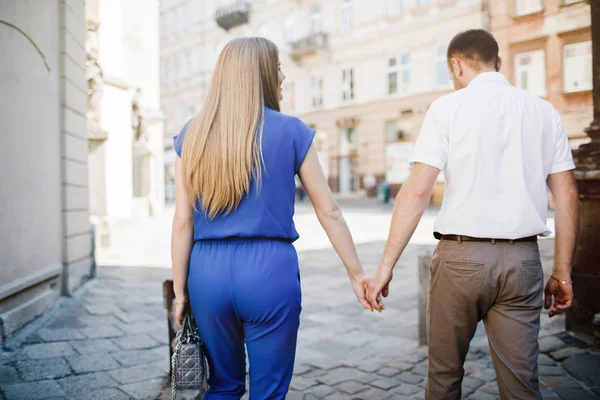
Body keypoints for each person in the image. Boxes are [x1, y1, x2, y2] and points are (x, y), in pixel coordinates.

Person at [366, 29, 579, 400]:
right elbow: (568, 195)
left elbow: (417, 190)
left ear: (456, 65)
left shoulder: (448, 108)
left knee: (445, 379)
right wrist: (562, 272)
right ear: (498, 62)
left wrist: (386, 265)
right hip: (522, 261)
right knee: (522, 386)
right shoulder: (544, 111)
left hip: (460, 260)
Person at [170, 37, 371, 400]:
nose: (282, 77)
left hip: (207, 274)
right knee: (268, 392)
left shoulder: (191, 135)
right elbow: (329, 210)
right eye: (277, 69)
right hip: (269, 271)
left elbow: (183, 221)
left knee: (223, 387)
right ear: (261, 74)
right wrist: (357, 274)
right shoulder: (292, 131)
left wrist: (181, 291)